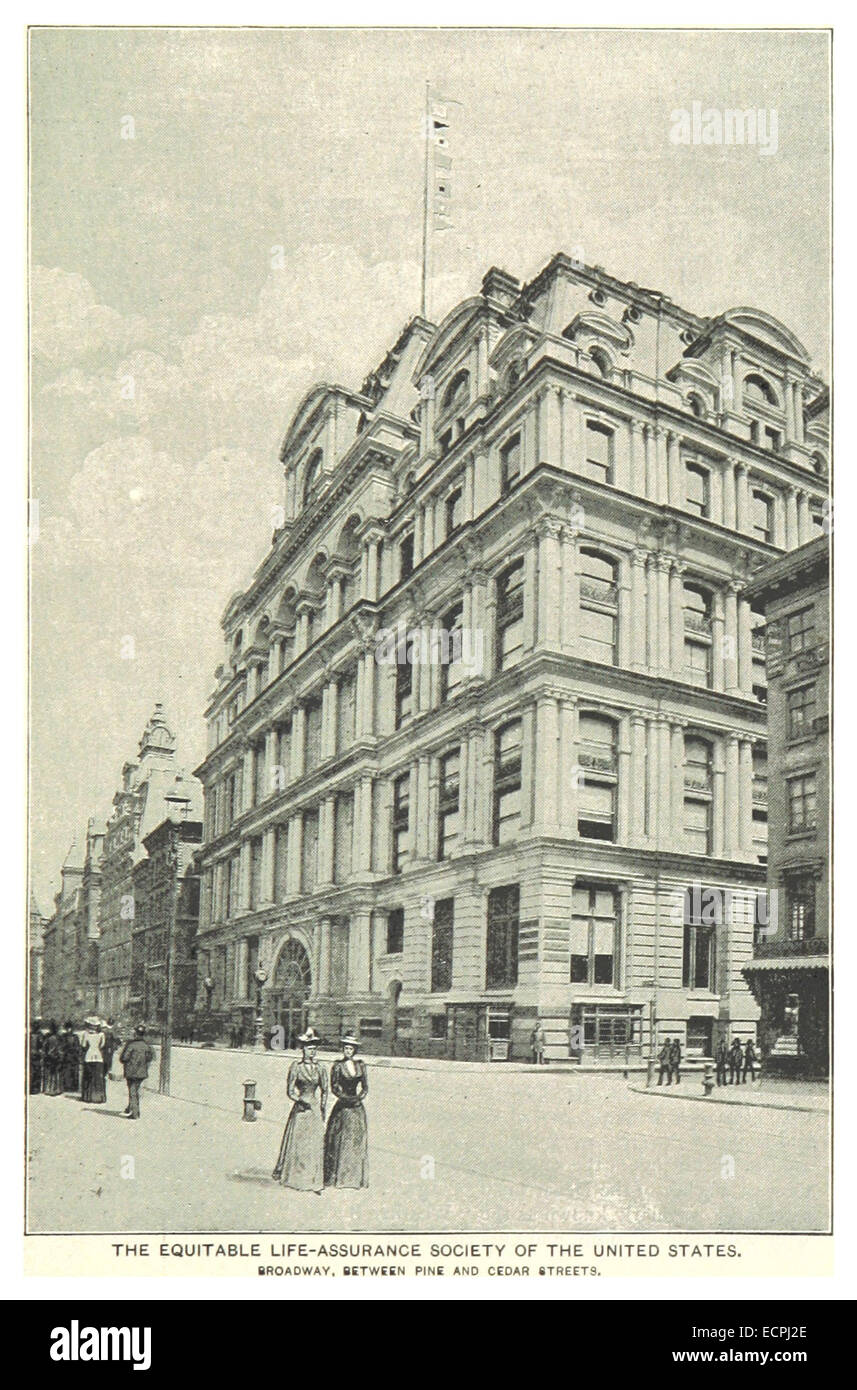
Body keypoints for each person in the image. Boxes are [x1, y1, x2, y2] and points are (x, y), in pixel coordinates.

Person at [272, 1028, 328, 1193]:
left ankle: (313, 1179)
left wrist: (323, 1107)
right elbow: (290, 1091)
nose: (312, 1051)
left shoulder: (321, 1068)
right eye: (309, 1047)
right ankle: (296, 1177)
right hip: (301, 1110)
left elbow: (325, 1090)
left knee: (314, 1144)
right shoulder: (296, 1067)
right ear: (302, 1048)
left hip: (315, 1109)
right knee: (299, 1143)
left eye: (314, 1048)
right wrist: (300, 1100)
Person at [324, 1033, 369, 1189]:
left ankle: (353, 1177)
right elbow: (334, 1088)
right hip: (343, 1106)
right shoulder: (337, 1066)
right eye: (345, 1048)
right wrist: (346, 1099)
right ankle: (337, 1176)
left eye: (350, 1048)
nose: (348, 1051)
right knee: (340, 1140)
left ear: (354, 1050)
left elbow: (365, 1087)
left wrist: (359, 1098)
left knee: (356, 1141)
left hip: (357, 1107)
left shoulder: (360, 1065)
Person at [118, 1026, 156, 1119]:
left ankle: (135, 1113)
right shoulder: (147, 1045)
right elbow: (151, 1058)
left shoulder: (131, 1045)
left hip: (131, 1072)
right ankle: (131, 1108)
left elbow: (124, 1058)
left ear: (135, 1034)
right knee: (136, 1090)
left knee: (132, 1091)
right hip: (142, 1072)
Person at [80, 1017, 107, 1103]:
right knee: (98, 1077)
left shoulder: (86, 1034)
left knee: (88, 1077)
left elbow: (83, 1045)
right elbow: (102, 1045)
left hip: (89, 1056)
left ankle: (87, 1096)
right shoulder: (101, 1035)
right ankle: (98, 1096)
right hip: (98, 1056)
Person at [42, 1021, 64, 1096]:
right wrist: (60, 1056)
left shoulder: (47, 1037)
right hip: (56, 1057)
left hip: (49, 1057)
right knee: (56, 1074)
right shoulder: (58, 1038)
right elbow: (60, 1049)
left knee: (49, 1074)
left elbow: (44, 1048)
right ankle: (56, 1089)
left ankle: (48, 1089)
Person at [61, 1021, 81, 1094]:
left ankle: (73, 1087)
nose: (69, 1030)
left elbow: (78, 1047)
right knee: (67, 1071)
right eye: (67, 1028)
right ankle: (67, 1086)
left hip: (73, 1056)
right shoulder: (64, 1036)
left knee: (73, 1071)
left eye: (70, 1028)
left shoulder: (75, 1037)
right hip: (68, 1056)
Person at [29, 1023, 44, 1093]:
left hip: (31, 1055)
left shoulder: (30, 1035)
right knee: (36, 1072)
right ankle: (35, 1088)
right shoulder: (39, 1035)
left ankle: (32, 1088)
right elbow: (41, 1045)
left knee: (32, 1071)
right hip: (36, 1055)